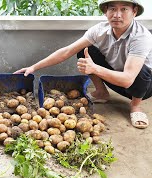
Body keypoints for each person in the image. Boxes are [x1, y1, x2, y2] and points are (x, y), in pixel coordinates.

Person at [14, 0, 152, 129]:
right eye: (112, 9)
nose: (117, 15)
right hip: (114, 77)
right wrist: (33, 67)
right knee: (85, 51)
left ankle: (135, 106)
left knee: (142, 71)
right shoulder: (99, 30)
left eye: (124, 9)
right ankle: (101, 93)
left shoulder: (140, 37)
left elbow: (128, 80)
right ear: (105, 11)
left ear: (134, 12)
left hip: (142, 87)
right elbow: (67, 51)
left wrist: (95, 68)